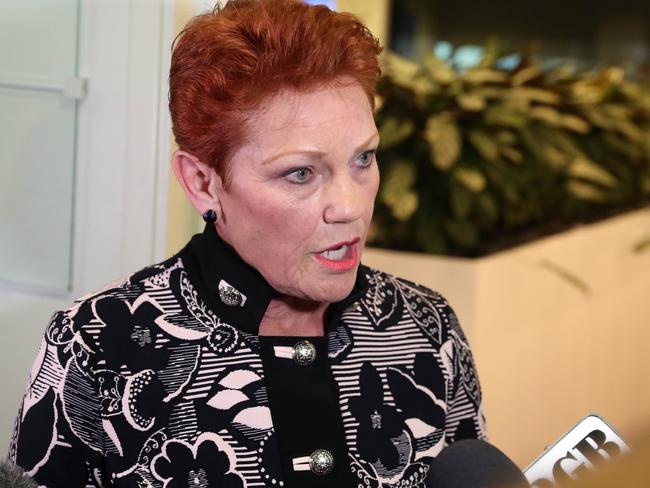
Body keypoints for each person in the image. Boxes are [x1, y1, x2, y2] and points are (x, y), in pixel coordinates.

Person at [6, 0, 486, 486]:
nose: (351, 206)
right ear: (202, 183)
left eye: (363, 160)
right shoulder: (96, 343)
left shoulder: (428, 326)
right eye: (300, 173)